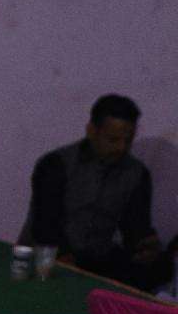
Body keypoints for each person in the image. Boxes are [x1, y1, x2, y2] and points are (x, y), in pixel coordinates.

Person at [23, 96, 175, 294]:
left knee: (161, 267)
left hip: (96, 257)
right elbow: (45, 224)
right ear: (92, 131)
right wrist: (63, 256)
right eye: (113, 140)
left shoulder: (136, 173)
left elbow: (135, 227)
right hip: (51, 250)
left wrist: (146, 247)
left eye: (128, 140)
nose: (121, 147)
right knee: (51, 268)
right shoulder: (56, 164)